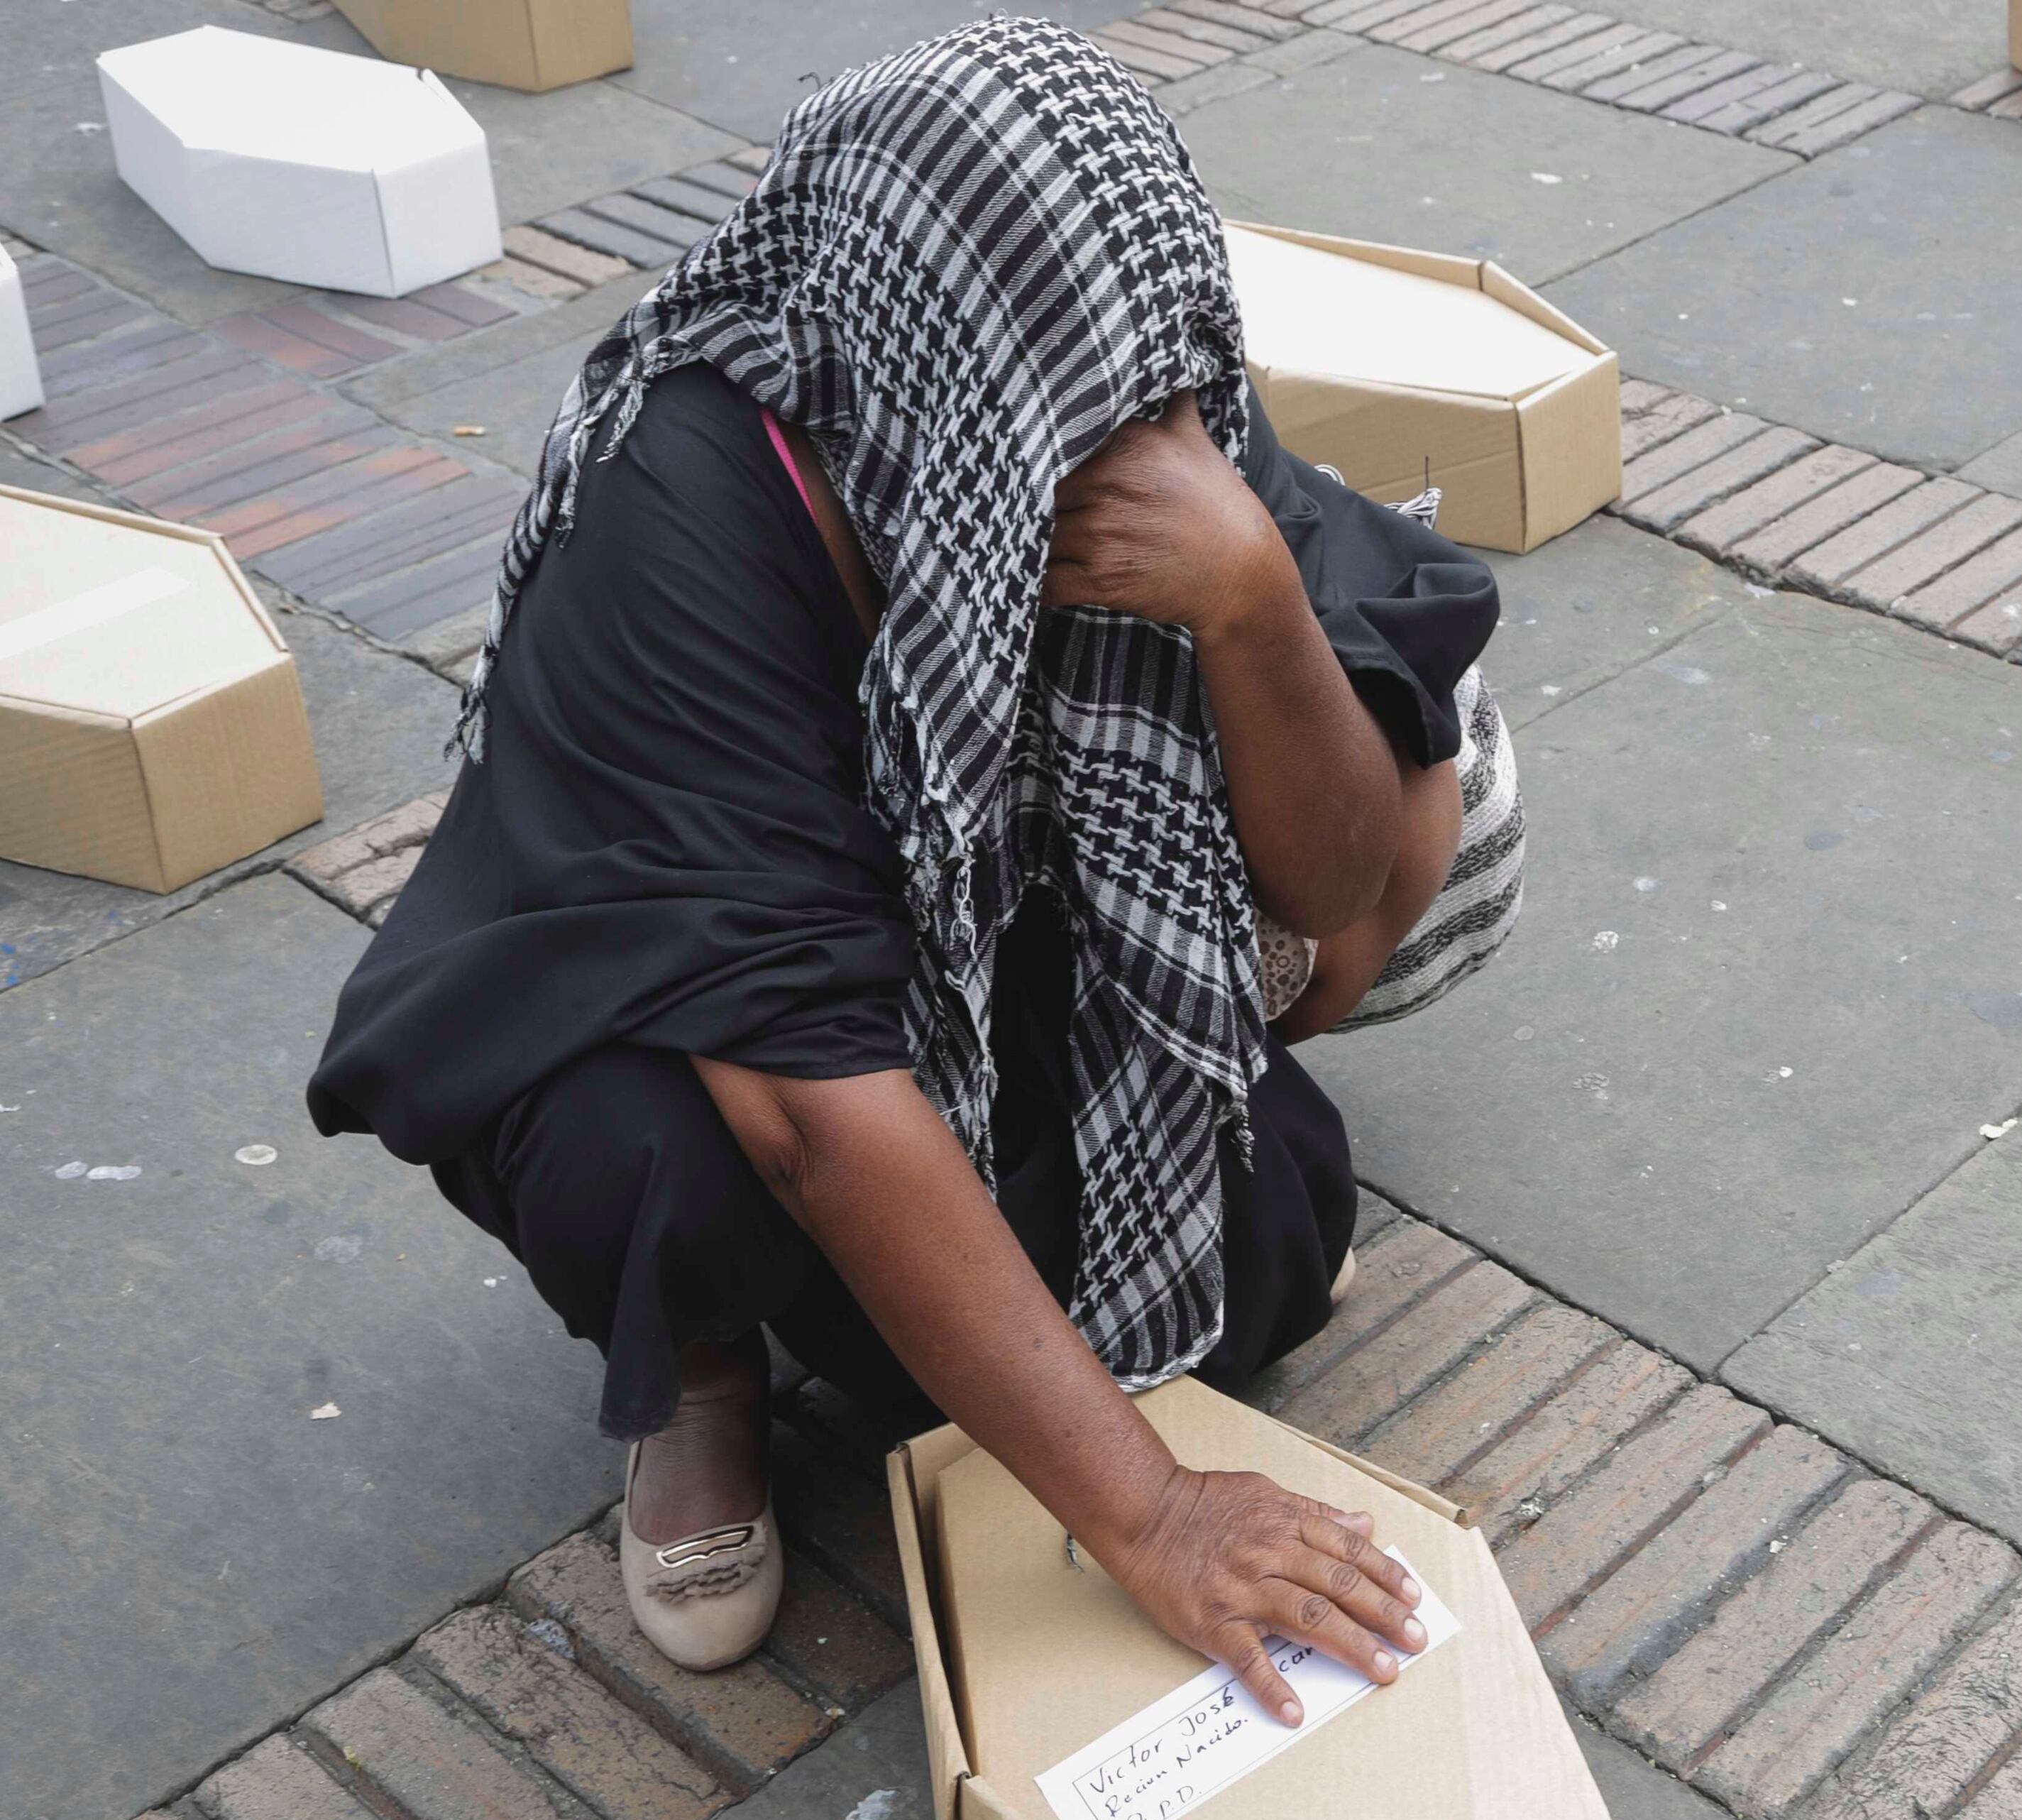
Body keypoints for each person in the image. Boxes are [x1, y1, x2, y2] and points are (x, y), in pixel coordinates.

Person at [308, 18, 1519, 1719]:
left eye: (1168, 386)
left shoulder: (1115, 369)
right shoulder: (678, 508)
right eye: (1078, 416)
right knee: (652, 1162)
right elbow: (809, 1098)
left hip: (967, 953)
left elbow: (1331, 889)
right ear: (931, 365)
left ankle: (914, 1305)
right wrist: (1151, 1512)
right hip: (685, 995)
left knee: (1265, 1246)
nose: (1142, 431)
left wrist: (1246, 599)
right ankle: (695, 1370)